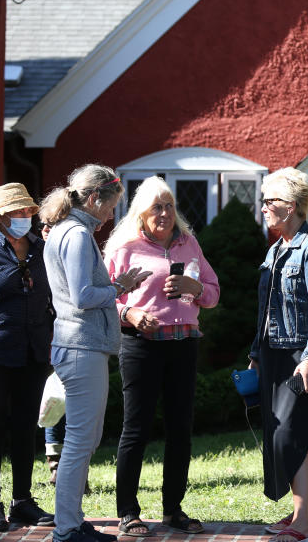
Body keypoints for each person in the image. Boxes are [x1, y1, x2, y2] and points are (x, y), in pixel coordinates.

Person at [103, 176, 221, 536]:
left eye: (170, 205)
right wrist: (131, 314)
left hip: (184, 343)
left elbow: (214, 294)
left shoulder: (189, 245)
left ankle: (173, 510)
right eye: (157, 206)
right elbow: (103, 297)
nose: (165, 212)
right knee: (136, 429)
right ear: (141, 212)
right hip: (141, 345)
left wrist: (194, 287)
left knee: (180, 429)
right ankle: (128, 511)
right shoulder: (124, 247)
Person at [41, 165, 150, 542]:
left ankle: (71, 520)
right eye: (110, 207)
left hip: (79, 346)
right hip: (80, 346)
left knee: (84, 437)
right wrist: (120, 285)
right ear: (93, 199)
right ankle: (67, 528)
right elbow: (82, 296)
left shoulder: (68, 230)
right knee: (79, 440)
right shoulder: (75, 234)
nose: (111, 215)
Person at [248, 168, 308, 542]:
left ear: (294, 207)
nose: (264, 207)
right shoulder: (275, 248)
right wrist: (255, 352)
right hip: (273, 354)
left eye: (272, 202)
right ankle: (301, 514)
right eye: (264, 201)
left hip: (301, 353)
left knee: (291, 434)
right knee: (281, 432)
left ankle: (305, 524)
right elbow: (266, 308)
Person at [0, 183, 55, 531]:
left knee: (27, 426)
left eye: (27, 211)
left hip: (34, 348)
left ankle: (22, 500)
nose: (24, 217)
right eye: (16, 212)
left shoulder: (43, 248)